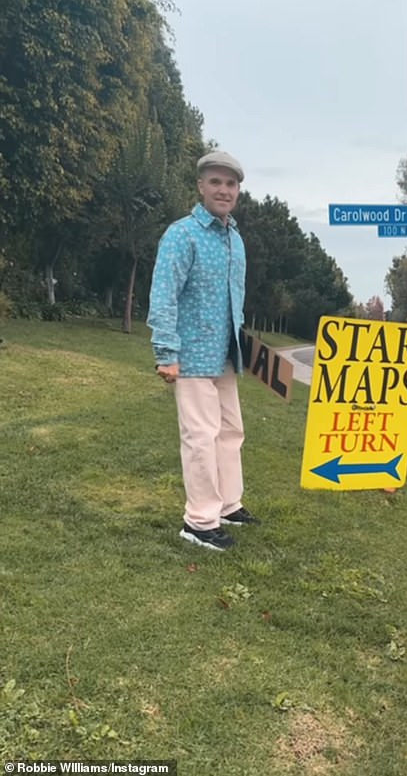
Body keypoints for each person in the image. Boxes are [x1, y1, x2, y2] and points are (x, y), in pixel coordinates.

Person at [147, 150, 259, 552]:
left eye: (230, 184)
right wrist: (166, 352)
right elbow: (163, 296)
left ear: (238, 190)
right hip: (191, 356)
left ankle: (228, 504)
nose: (223, 190)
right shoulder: (183, 234)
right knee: (200, 436)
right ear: (200, 186)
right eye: (216, 182)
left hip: (226, 355)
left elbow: (235, 301)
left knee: (230, 432)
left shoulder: (235, 239)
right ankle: (199, 521)